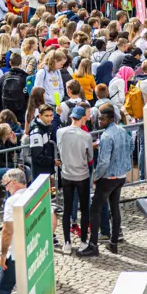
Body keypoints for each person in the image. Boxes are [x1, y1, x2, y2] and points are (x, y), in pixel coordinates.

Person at [77, 105, 132, 257]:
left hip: (108, 178)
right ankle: (113, 243)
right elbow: (130, 146)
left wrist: (96, 176)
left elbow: (104, 162)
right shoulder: (122, 130)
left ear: (111, 119)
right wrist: (124, 166)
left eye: (103, 119)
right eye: (99, 118)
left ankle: (93, 245)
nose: (99, 121)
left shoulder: (107, 136)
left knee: (95, 209)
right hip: (120, 175)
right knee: (115, 208)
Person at [56, 106, 92, 252]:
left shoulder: (60, 133)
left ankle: (67, 242)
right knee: (84, 209)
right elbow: (90, 156)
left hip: (66, 174)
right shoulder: (86, 136)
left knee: (67, 209)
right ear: (82, 118)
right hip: (82, 175)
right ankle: (83, 241)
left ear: (71, 117)